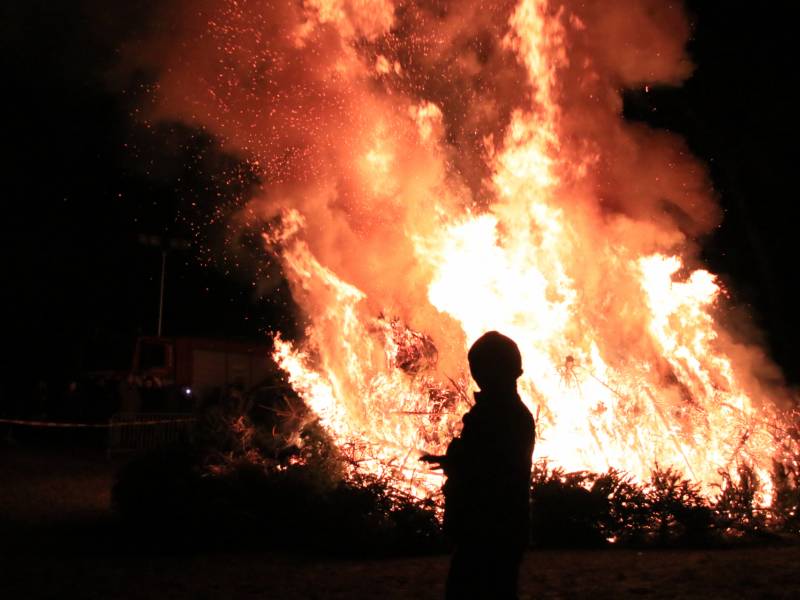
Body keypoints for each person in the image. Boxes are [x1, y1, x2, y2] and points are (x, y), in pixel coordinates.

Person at [421, 331, 535, 600]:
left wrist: (457, 463)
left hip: (488, 528)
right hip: (499, 527)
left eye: (480, 366)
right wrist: (453, 461)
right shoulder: (506, 412)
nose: (476, 374)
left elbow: (491, 471)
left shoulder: (498, 414)